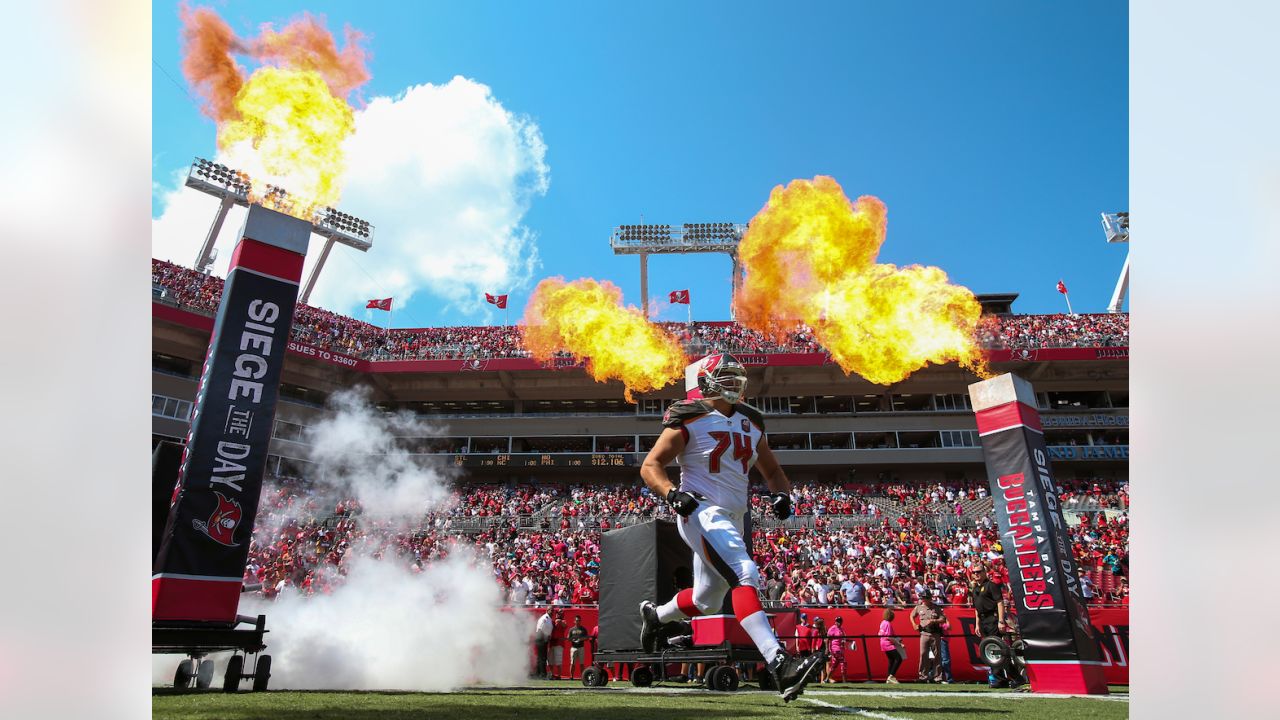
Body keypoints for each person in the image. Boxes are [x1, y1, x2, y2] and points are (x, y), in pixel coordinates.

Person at [638, 353, 824, 703]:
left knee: (705, 599)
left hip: (734, 516)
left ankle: (656, 615)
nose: (735, 383)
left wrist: (781, 495)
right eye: (727, 376)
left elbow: (772, 471)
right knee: (744, 573)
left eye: (738, 377)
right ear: (706, 380)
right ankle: (779, 662)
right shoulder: (689, 418)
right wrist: (672, 494)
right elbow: (651, 465)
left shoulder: (751, 422)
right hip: (701, 511)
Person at [972, 565, 1017, 689]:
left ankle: (1016, 677)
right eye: (974, 572)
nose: (976, 574)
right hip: (983, 620)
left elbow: (999, 602)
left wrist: (1001, 621)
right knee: (990, 651)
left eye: (979, 572)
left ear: (984, 572)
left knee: (999, 649)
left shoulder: (991, 585)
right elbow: (976, 608)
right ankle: (999, 679)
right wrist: (977, 624)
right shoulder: (975, 589)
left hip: (992, 618)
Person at [910, 589, 946, 683]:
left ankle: (938, 677)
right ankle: (923, 676)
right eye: (923, 598)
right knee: (923, 654)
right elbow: (911, 615)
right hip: (924, 633)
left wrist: (934, 621)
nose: (924, 599)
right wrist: (914, 624)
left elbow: (943, 619)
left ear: (930, 598)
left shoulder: (936, 608)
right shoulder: (919, 607)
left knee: (937, 655)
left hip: (935, 634)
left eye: (926, 598)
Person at [879, 607, 905, 684]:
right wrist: (899, 644)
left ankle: (888, 678)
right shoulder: (888, 624)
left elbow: (891, 634)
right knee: (898, 658)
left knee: (891, 660)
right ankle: (891, 676)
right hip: (888, 644)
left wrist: (897, 638)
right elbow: (889, 637)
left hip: (882, 643)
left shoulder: (883, 622)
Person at [826, 615, 849, 683]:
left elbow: (843, 638)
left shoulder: (841, 629)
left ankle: (826, 679)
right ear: (835, 621)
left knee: (834, 665)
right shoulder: (832, 628)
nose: (838, 623)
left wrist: (848, 642)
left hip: (841, 649)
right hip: (835, 649)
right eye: (837, 621)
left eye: (840, 621)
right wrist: (827, 649)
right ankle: (844, 681)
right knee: (843, 663)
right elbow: (827, 639)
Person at [533, 608, 553, 679]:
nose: (552, 611)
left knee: (541, 657)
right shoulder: (545, 618)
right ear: (547, 610)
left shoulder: (549, 618)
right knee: (542, 657)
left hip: (543, 638)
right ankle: (542, 674)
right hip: (541, 638)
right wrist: (544, 637)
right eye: (551, 610)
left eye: (553, 610)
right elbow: (540, 629)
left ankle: (538, 673)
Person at [568, 615, 589, 680]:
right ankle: (571, 676)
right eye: (577, 620)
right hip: (573, 647)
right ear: (574, 621)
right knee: (572, 663)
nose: (578, 621)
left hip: (581, 647)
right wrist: (572, 639)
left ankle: (583, 676)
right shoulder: (571, 629)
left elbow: (587, 638)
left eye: (579, 620)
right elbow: (568, 638)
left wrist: (581, 639)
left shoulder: (583, 629)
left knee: (581, 663)